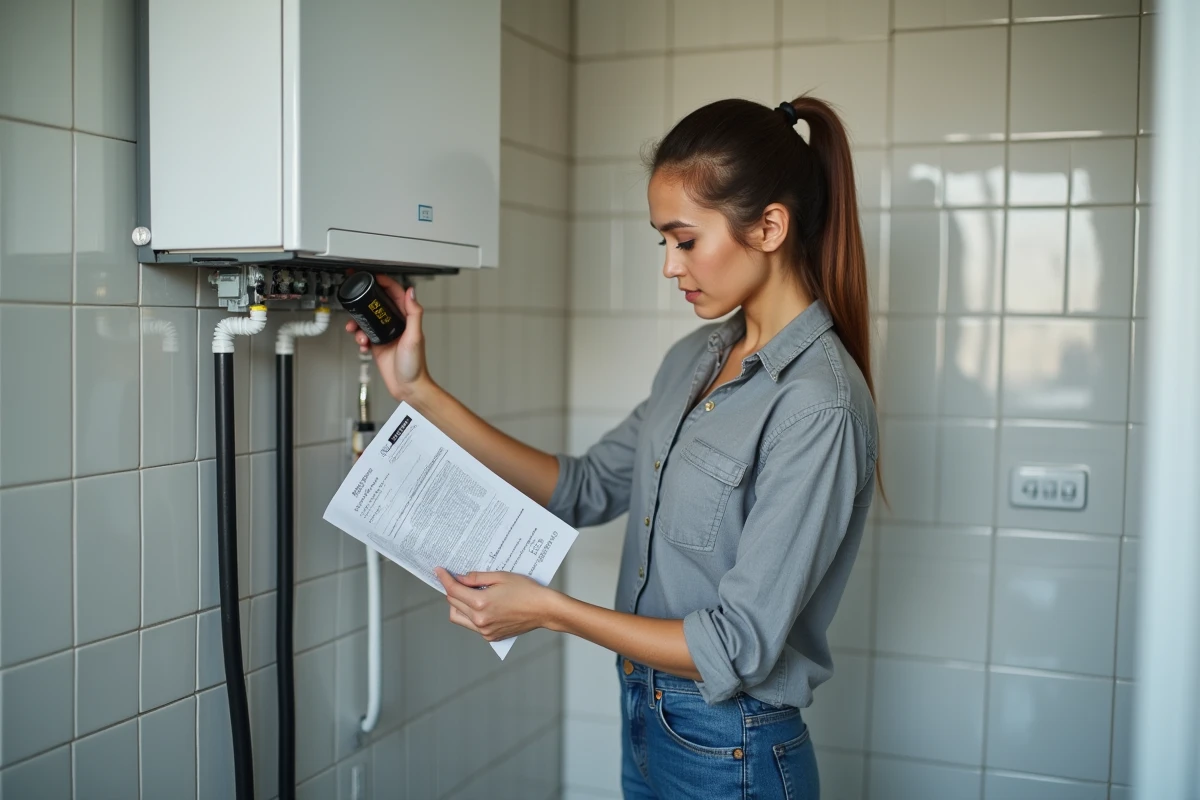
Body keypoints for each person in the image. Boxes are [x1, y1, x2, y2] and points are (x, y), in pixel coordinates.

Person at [346, 95, 879, 800]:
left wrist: (551, 609)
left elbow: (736, 646)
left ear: (770, 226)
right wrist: (419, 391)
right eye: (663, 242)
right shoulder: (695, 358)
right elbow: (584, 487)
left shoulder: (819, 403)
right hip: (649, 716)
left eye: (685, 240)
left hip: (732, 747)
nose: (670, 266)